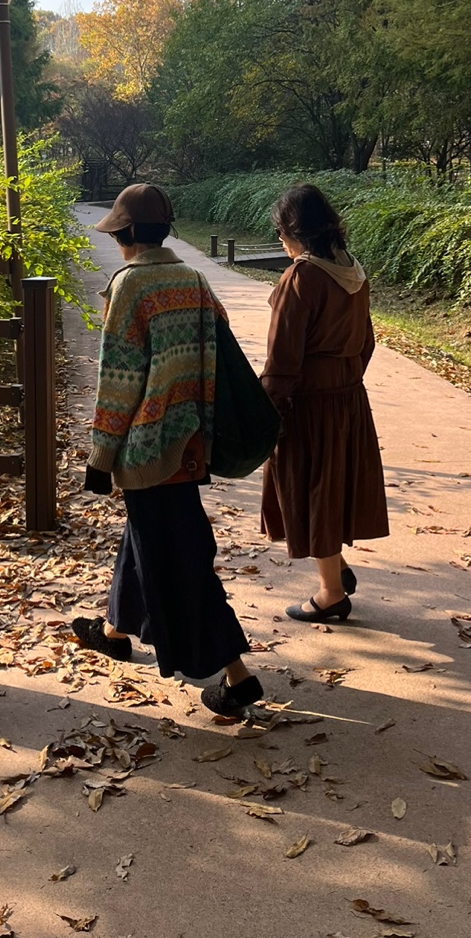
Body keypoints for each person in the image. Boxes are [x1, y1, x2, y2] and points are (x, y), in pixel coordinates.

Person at [72, 182, 264, 717]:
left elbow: (118, 380)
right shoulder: (193, 279)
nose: (116, 243)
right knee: (149, 538)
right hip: (192, 444)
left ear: (130, 233)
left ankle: (237, 677)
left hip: (147, 447)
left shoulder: (130, 285)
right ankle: (114, 632)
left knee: (180, 559)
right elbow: (219, 337)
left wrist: (100, 457)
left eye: (118, 235)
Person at [260, 183, 388, 622]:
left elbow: (283, 357)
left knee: (311, 488)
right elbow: (366, 342)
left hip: (308, 402)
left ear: (294, 230)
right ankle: (338, 567)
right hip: (347, 397)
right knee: (333, 486)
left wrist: (266, 407)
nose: (281, 240)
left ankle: (331, 593)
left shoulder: (302, 277)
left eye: (281, 231)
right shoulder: (353, 270)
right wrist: (345, 383)